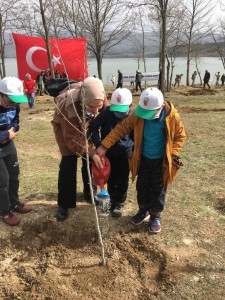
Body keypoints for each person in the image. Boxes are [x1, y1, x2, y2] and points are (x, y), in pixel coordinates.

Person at [96, 87, 186, 233]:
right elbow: (121, 128)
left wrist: (173, 153)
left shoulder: (172, 117)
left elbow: (180, 137)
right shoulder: (139, 115)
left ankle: (155, 216)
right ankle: (143, 210)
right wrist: (104, 145)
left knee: (158, 188)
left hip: (161, 161)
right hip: (143, 158)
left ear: (161, 106)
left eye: (150, 113)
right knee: (142, 186)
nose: (146, 116)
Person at [51, 76, 107, 222]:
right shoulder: (68, 106)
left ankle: (90, 193)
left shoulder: (100, 96)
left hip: (87, 126)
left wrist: (94, 151)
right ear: (83, 100)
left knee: (89, 161)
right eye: (91, 107)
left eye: (98, 107)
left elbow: (106, 115)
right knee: (68, 163)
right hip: (66, 129)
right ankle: (65, 203)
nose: (95, 111)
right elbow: (72, 139)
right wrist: (91, 152)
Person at [89, 88, 134, 218]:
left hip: (125, 152)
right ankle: (111, 199)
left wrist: (133, 148)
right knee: (110, 177)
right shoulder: (106, 113)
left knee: (122, 178)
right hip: (108, 153)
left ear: (129, 105)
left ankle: (119, 202)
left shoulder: (132, 116)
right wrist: (98, 145)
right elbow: (93, 127)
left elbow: (136, 135)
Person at [0, 77, 32, 226]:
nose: (13, 103)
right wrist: (6, 135)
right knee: (3, 180)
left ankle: (14, 202)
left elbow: (16, 121)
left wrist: (13, 129)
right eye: (11, 100)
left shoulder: (15, 106)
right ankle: (5, 211)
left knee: (14, 174)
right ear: (1, 94)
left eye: (16, 101)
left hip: (9, 145)